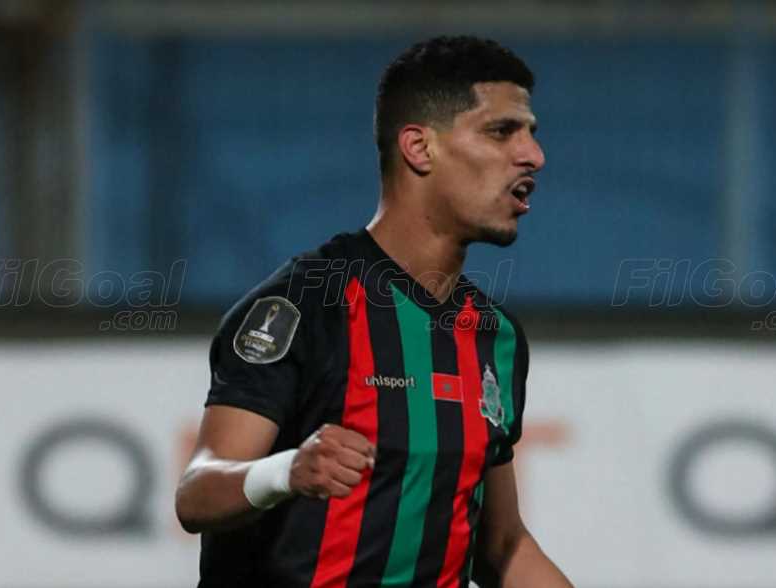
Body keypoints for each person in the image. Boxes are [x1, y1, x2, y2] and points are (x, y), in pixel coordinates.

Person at [175, 35, 575, 588]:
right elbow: (196, 493)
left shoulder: (495, 336)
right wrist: (286, 470)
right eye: (502, 131)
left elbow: (503, 545)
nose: (533, 155)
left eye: (531, 132)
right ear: (419, 148)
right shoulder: (304, 304)